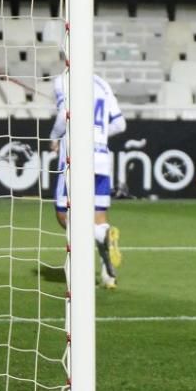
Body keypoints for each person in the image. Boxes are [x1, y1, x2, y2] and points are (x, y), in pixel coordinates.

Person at [49, 68, 126, 288]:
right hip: (101, 158)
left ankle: (96, 243)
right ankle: (107, 273)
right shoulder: (102, 84)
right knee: (98, 218)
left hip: (75, 156)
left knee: (64, 215)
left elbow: (65, 115)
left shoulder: (63, 79)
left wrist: (54, 137)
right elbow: (120, 124)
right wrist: (97, 134)